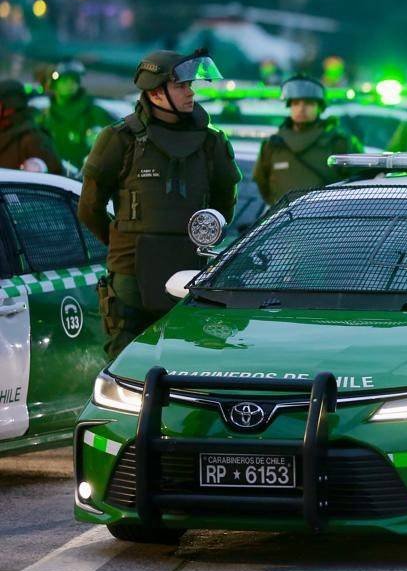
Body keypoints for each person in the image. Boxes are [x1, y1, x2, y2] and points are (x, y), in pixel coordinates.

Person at [78, 49, 240, 360]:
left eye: (191, 85)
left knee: (189, 363)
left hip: (192, 271)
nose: (191, 92)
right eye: (182, 86)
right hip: (131, 277)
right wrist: (123, 244)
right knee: (127, 365)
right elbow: (89, 208)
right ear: (156, 92)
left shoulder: (212, 143)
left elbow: (222, 210)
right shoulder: (119, 139)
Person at [253, 75, 363, 205]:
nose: (301, 108)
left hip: (331, 220)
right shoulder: (273, 144)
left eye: (309, 103)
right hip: (285, 220)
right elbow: (262, 182)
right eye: (295, 103)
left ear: (320, 107)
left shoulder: (340, 141)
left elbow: (360, 183)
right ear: (289, 106)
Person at [37, 61, 114, 168]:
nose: (70, 84)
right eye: (65, 80)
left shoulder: (93, 112)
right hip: (52, 177)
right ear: (54, 84)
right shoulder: (44, 115)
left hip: (82, 177)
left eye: (74, 80)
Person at [0, 79, 63, 173]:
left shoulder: (32, 138)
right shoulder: (4, 131)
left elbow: (53, 172)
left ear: (9, 105)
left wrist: (39, 166)